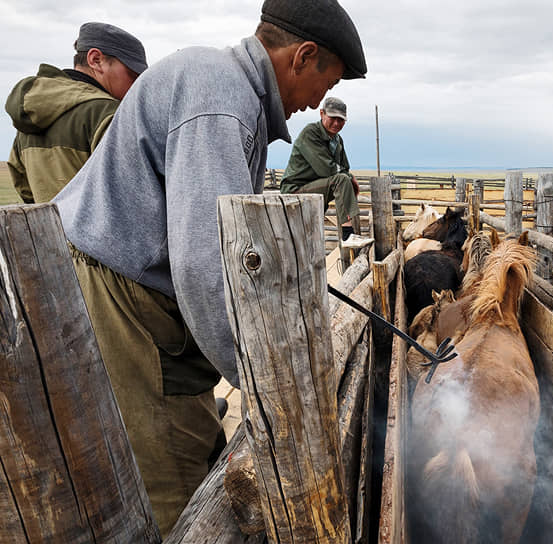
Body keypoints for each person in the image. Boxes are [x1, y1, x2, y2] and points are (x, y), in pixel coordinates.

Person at [51, 0, 366, 534]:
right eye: (325, 81)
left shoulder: (224, 86)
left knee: (189, 448)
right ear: (303, 55)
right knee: (180, 481)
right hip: (123, 294)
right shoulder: (221, 101)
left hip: (131, 286)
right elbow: (203, 266)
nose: (318, 100)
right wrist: (270, 391)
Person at [5, 22, 146, 204]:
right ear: (96, 60)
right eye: (133, 75)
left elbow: (24, 188)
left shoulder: (29, 117)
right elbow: (132, 195)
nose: (138, 85)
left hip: (47, 231)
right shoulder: (108, 113)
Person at [280, 95, 360, 240]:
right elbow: (327, 169)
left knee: (343, 179)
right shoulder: (310, 133)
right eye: (333, 118)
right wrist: (350, 178)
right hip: (295, 190)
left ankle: (349, 233)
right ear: (322, 114)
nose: (336, 123)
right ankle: (348, 234)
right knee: (341, 180)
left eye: (341, 119)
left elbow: (344, 167)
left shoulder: (337, 139)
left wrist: (348, 177)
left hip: (314, 188)